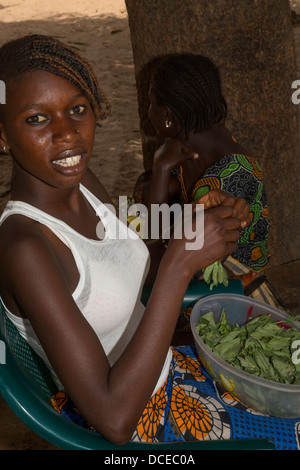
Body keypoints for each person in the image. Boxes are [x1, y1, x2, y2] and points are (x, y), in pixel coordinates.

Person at [0, 35, 297, 450]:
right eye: (37, 119)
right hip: (146, 425)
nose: (67, 134)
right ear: (2, 135)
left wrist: (194, 225)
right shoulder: (24, 247)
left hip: (166, 372)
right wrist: (180, 265)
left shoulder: (78, 182)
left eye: (77, 109)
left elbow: (128, 263)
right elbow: (115, 421)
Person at [146, 53, 283, 309]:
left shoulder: (232, 175)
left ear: (167, 115)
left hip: (229, 302)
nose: (148, 112)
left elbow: (158, 248)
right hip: (195, 281)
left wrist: (160, 171)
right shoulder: (181, 146)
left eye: (151, 103)